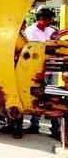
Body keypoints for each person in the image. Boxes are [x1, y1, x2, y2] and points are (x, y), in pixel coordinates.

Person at [24, 7, 60, 139]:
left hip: (53, 69)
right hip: (37, 70)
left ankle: (55, 128)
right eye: (49, 19)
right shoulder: (30, 31)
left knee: (54, 96)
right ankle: (34, 125)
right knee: (37, 96)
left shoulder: (52, 31)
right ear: (41, 19)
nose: (51, 22)